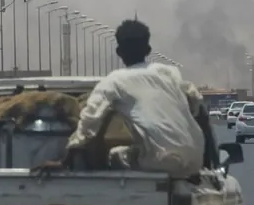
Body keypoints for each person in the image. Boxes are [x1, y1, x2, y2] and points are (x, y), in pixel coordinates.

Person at [32, 19, 205, 178]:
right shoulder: (169, 72)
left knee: (115, 155)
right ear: (148, 50)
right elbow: (197, 102)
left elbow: (89, 122)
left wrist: (64, 161)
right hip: (196, 159)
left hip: (160, 161)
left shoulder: (114, 81)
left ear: (119, 52)